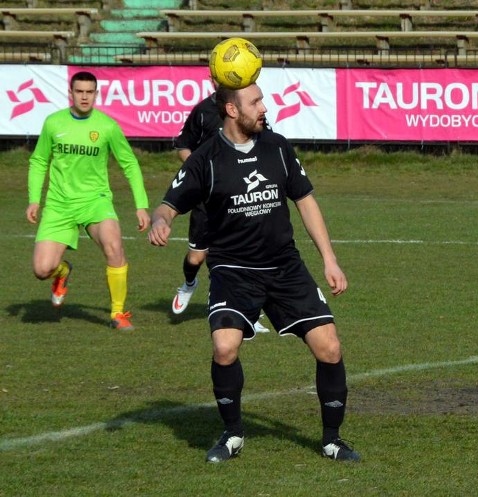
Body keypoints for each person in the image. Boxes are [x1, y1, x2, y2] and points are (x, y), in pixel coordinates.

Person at [148, 82, 359, 463]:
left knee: (330, 347)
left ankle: (333, 440)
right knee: (224, 347)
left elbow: (305, 201)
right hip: (233, 270)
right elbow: (169, 203)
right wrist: (160, 222)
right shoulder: (206, 157)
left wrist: (329, 258)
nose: (264, 107)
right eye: (256, 101)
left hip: (284, 267)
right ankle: (232, 434)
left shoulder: (277, 146)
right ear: (232, 110)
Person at [27, 70, 150, 331]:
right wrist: (33, 199)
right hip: (59, 204)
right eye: (79, 92)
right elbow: (39, 161)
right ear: (70, 94)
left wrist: (141, 205)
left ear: (96, 94)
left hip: (96, 201)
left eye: (89, 92)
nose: (84, 97)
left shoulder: (107, 126)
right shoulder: (53, 123)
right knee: (41, 269)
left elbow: (129, 163)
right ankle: (62, 272)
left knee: (114, 246)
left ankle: (118, 313)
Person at [172, 86, 269, 333]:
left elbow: (264, 143)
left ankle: (248, 313)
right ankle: (189, 283)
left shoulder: (249, 110)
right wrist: (200, 171)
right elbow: (183, 144)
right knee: (196, 257)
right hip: (207, 198)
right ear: (213, 77)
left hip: (241, 195)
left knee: (245, 251)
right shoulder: (203, 111)